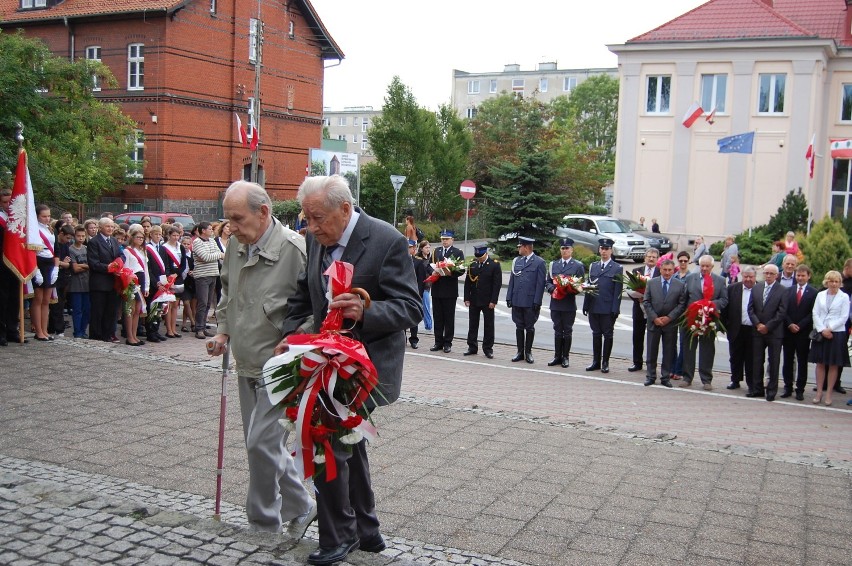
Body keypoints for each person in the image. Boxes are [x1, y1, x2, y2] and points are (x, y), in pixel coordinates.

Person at [276, 175, 422, 565]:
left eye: (318, 217)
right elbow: (302, 295)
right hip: (322, 363)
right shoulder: (314, 238)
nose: (311, 227)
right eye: (306, 218)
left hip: (366, 368)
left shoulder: (386, 239)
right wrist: (293, 334)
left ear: (345, 209)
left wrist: (367, 310)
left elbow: (411, 308)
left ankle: (337, 537)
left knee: (329, 441)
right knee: (348, 444)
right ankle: (366, 530)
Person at [205, 180, 317, 537]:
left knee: (261, 443)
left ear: (263, 212)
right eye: (227, 219)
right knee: (262, 447)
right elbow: (228, 293)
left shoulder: (295, 250)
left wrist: (293, 342)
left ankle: (263, 520)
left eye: (237, 219)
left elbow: (317, 309)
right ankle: (301, 506)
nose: (231, 227)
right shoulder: (236, 246)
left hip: (281, 365)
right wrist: (223, 331)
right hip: (246, 359)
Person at [680, 255, 728, 389]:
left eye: (707, 266)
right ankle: (687, 377)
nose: (704, 268)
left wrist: (710, 304)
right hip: (691, 319)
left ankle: (706, 379)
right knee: (689, 348)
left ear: (712, 267)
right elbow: (684, 298)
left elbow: (724, 300)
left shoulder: (720, 280)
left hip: (709, 319)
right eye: (702, 266)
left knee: (707, 349)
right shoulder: (690, 278)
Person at [808, 270, 850, 406]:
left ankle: (829, 394)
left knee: (833, 364)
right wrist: (822, 329)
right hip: (821, 332)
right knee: (820, 363)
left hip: (836, 333)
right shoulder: (820, 295)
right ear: (826, 282)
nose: (833, 284)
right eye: (831, 281)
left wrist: (830, 328)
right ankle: (819, 392)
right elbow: (815, 312)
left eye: (836, 281)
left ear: (840, 283)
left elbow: (844, 317)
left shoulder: (844, 297)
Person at [642, 258, 686, 387]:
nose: (667, 273)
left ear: (673, 271)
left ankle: (665, 377)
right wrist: (654, 317)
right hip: (654, 322)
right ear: (660, 269)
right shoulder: (651, 283)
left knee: (668, 352)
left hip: (670, 324)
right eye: (665, 270)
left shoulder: (680, 285)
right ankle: (650, 376)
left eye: (670, 270)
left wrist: (669, 317)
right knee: (651, 350)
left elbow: (681, 304)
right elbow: (646, 302)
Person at [583, 238, 624, 373]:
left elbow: (618, 291)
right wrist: (586, 305)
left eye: (607, 249)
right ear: (599, 249)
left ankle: (605, 362)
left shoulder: (617, 268)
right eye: (602, 248)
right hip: (594, 306)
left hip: (607, 308)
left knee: (608, 335)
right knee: (596, 334)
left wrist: (615, 309)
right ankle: (596, 361)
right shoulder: (594, 266)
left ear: (611, 250)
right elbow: (589, 286)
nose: (604, 251)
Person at [748, 264, 787, 401]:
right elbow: (750, 308)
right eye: (766, 273)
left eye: (771, 273)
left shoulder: (782, 290)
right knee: (757, 360)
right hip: (758, 330)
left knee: (774, 361)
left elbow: (782, 312)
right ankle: (757, 389)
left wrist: (768, 326)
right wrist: (758, 324)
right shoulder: (756, 288)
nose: (769, 276)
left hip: (774, 332)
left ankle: (771, 391)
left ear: (776, 275)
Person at [545, 238, 585, 367]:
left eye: (567, 248)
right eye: (562, 248)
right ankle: (557, 356)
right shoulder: (554, 264)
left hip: (568, 303)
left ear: (572, 250)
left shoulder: (577, 266)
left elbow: (580, 285)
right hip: (555, 303)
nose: (565, 250)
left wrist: (569, 289)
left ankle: (565, 357)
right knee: (557, 330)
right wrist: (553, 289)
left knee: (567, 331)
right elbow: (548, 282)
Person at [506, 236, 546, 364]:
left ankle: (528, 352)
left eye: (520, 246)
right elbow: (512, 280)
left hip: (530, 301)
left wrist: (537, 301)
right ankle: (519, 352)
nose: (518, 248)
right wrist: (509, 297)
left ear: (526, 247)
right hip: (517, 299)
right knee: (519, 326)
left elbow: (540, 285)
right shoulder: (517, 261)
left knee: (529, 327)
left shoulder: (539, 262)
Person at [781, 264, 816, 400]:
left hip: (803, 332)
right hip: (789, 331)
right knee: (788, 360)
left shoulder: (814, 293)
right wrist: (789, 324)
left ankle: (800, 389)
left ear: (808, 276)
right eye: (798, 275)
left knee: (802, 361)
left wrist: (800, 326)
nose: (800, 278)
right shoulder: (788, 291)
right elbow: (783, 309)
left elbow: (812, 313)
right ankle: (787, 387)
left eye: (803, 275)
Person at [463, 243, 501, 359]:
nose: (479, 259)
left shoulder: (494, 265)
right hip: (474, 299)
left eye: (481, 257)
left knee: (489, 325)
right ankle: (472, 347)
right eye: (477, 257)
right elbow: (468, 283)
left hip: (487, 300)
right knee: (473, 324)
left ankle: (488, 348)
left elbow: (497, 284)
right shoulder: (473, 264)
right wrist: (466, 298)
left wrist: (493, 301)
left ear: (486, 254)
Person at [87, 217, 122, 342]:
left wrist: (119, 263)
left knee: (110, 311)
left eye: (112, 226)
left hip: (113, 282)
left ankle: (108, 334)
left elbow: (120, 255)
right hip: (100, 283)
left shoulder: (113, 240)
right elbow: (93, 263)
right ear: (100, 227)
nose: (110, 229)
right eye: (108, 226)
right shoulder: (94, 242)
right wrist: (108, 267)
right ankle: (96, 335)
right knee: (98, 311)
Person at [429, 229, 464, 353]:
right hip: (437, 289)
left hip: (450, 290)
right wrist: (432, 272)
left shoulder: (458, 252)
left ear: (452, 240)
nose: (444, 241)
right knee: (437, 317)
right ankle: (438, 341)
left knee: (449, 318)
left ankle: (448, 343)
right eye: (443, 239)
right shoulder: (436, 251)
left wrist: (451, 272)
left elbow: (461, 270)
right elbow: (429, 265)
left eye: (447, 239)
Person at [724, 267, 757, 393]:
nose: (748, 279)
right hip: (736, 328)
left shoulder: (760, 289)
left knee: (751, 358)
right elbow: (726, 309)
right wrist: (727, 326)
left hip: (753, 329)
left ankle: (751, 383)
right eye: (746, 276)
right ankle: (735, 380)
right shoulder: (733, 288)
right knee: (735, 356)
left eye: (751, 277)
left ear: (755, 277)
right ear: (742, 276)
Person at [628, 248, 660, 372]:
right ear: (644, 258)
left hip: (654, 310)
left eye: (654, 257)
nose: (651, 259)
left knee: (652, 339)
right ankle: (637, 363)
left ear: (657, 259)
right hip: (638, 309)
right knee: (637, 337)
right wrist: (638, 298)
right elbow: (629, 288)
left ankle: (651, 364)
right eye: (649, 256)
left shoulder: (660, 272)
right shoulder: (637, 271)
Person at [31, 205, 59, 341]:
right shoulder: (33, 229)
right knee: (38, 299)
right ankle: (38, 331)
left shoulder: (50, 229)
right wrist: (35, 270)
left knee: (46, 300)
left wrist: (56, 268)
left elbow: (56, 249)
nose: (47, 218)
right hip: (38, 262)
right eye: (44, 216)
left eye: (49, 216)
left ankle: (45, 329)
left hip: (49, 263)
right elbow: (30, 251)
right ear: (37, 216)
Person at [191, 221, 223, 339]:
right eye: (209, 229)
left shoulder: (212, 241)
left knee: (208, 303)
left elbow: (215, 254)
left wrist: (215, 255)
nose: (211, 230)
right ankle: (198, 328)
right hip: (202, 276)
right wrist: (217, 255)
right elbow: (205, 257)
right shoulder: (197, 242)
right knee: (202, 303)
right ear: (203, 230)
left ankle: (203, 327)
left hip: (213, 274)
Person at [122, 224, 149, 346]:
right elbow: (125, 268)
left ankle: (135, 335)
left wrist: (146, 286)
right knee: (130, 309)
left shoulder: (143, 251)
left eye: (142, 238)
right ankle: (129, 336)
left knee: (138, 310)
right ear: (132, 237)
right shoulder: (127, 251)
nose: (140, 239)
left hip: (141, 279)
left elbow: (146, 269)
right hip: (132, 281)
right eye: (138, 237)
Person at [159, 225, 186, 338]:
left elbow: (183, 263)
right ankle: (169, 329)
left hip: (178, 276)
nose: (176, 237)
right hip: (169, 277)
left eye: (177, 235)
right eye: (173, 235)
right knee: (169, 304)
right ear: (168, 236)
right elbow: (164, 264)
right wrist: (170, 276)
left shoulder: (181, 247)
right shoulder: (164, 248)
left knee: (176, 304)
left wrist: (178, 273)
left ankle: (174, 329)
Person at [48, 224, 74, 337]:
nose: (68, 240)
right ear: (61, 234)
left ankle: (53, 327)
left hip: (63, 278)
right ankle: (58, 328)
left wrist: (62, 263)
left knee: (60, 303)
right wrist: (62, 263)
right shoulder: (54, 244)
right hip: (53, 277)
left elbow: (68, 264)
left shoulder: (65, 246)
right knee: (55, 304)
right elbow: (55, 262)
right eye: (67, 238)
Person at [671, 251, 692, 379]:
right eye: (681, 261)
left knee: (684, 342)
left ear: (688, 261)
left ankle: (679, 369)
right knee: (671, 342)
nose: (683, 263)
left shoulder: (692, 277)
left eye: (685, 261)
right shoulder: (674, 276)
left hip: (686, 314)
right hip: (674, 313)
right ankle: (672, 368)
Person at [144, 225, 167, 342]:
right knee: (151, 308)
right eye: (156, 234)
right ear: (151, 235)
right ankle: (150, 332)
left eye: (160, 234)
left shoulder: (162, 249)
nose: (158, 236)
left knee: (159, 308)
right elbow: (148, 269)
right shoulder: (147, 249)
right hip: (153, 283)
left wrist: (165, 283)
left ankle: (156, 330)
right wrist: (156, 282)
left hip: (162, 284)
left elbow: (165, 267)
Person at [68, 225, 90, 339]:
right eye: (78, 236)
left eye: (82, 236)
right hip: (76, 284)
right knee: (77, 309)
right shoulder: (70, 249)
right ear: (74, 236)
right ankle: (77, 332)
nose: (80, 238)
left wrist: (81, 265)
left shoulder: (86, 248)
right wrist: (85, 266)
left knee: (87, 309)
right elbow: (75, 268)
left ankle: (83, 330)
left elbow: (91, 265)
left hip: (87, 283)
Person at [415, 240, 433, 331]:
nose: (428, 249)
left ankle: (428, 325)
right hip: (422, 286)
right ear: (421, 249)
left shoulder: (429, 259)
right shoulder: (419, 260)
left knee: (426, 306)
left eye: (429, 247)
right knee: (426, 306)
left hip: (429, 285)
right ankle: (428, 326)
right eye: (426, 247)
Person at [407, 239, 421, 348]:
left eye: (410, 247)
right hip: (402, 292)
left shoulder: (418, 261)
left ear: (414, 249)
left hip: (414, 292)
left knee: (413, 315)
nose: (407, 249)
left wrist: (418, 293)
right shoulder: (398, 260)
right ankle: (403, 337)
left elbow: (421, 279)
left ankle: (414, 339)